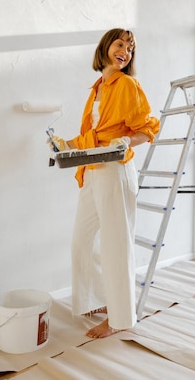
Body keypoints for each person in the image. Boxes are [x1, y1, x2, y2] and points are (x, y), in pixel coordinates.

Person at [48, 28, 159, 338]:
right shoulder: (97, 88)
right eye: (120, 44)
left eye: (130, 48)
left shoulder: (127, 85)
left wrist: (127, 141)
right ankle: (97, 300)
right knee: (81, 241)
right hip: (92, 169)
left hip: (115, 171)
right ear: (106, 47)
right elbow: (91, 138)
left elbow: (147, 129)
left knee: (115, 244)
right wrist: (64, 145)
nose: (125, 51)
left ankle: (120, 318)